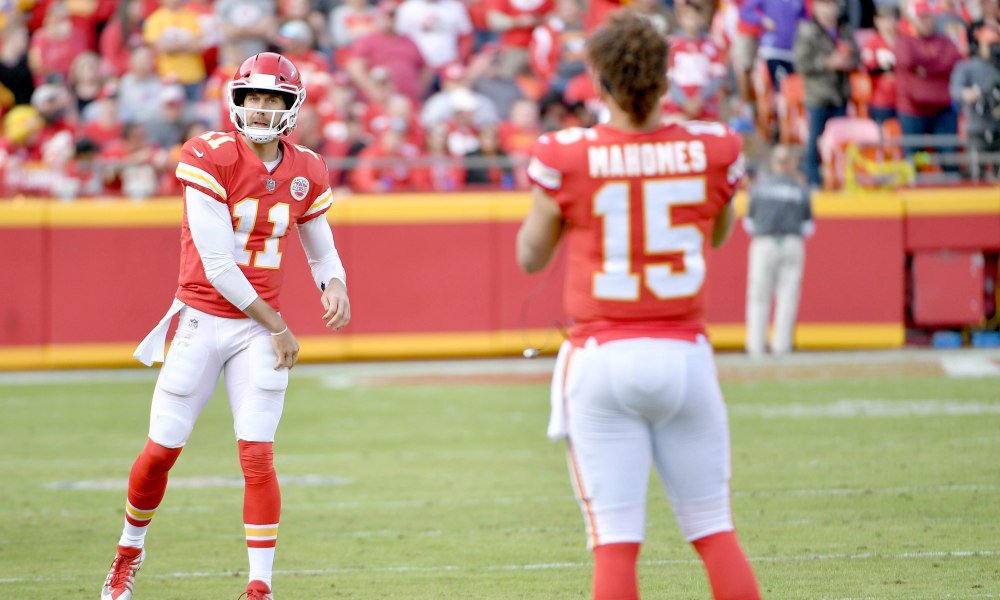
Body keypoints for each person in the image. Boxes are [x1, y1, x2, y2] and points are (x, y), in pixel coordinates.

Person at [516, 11, 761, 600]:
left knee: (616, 541)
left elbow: (530, 256)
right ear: (666, 73)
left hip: (602, 355)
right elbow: (719, 233)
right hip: (685, 354)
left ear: (598, 78)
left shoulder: (565, 153)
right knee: (715, 532)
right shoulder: (714, 146)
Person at [100, 52, 351, 600]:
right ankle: (128, 551)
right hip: (204, 316)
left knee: (257, 454)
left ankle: (260, 587)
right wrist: (280, 324)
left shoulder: (306, 167)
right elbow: (217, 265)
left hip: (257, 331)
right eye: (253, 98)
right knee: (163, 449)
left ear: (292, 106)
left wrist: (335, 281)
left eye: (273, 99)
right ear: (236, 100)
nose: (260, 109)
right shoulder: (208, 154)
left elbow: (319, 244)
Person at [743, 144, 813, 357]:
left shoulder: (760, 187)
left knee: (759, 296)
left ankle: (755, 346)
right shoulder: (799, 188)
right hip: (791, 242)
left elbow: (749, 221)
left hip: (764, 242)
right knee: (787, 296)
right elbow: (808, 224)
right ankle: (781, 347)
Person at [792, 0, 858, 187]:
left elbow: (857, 56)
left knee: (843, 141)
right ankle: (813, 181)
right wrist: (828, 62)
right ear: (816, 7)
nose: (829, 9)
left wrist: (848, 61)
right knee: (814, 143)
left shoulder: (844, 30)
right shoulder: (807, 30)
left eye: (832, 5)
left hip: (841, 95)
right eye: (824, 4)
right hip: (818, 97)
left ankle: (843, 179)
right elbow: (801, 64)